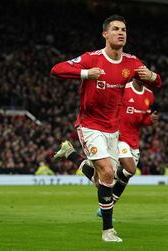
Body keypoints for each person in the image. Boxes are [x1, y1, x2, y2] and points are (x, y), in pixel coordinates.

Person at [50, 15, 162, 242]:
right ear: (105, 34)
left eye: (124, 29)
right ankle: (108, 231)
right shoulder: (92, 59)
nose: (121, 33)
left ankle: (71, 155)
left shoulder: (131, 62)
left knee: (101, 180)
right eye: (116, 29)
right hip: (90, 125)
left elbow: (156, 82)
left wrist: (152, 76)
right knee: (109, 173)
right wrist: (85, 73)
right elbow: (56, 69)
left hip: (114, 129)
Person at [54, 78, 158, 213]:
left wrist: (149, 120)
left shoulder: (149, 95)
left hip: (133, 140)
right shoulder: (123, 88)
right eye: (141, 75)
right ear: (135, 75)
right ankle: (107, 215)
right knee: (130, 169)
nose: (145, 79)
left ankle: (70, 153)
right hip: (118, 137)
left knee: (104, 181)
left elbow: (142, 118)